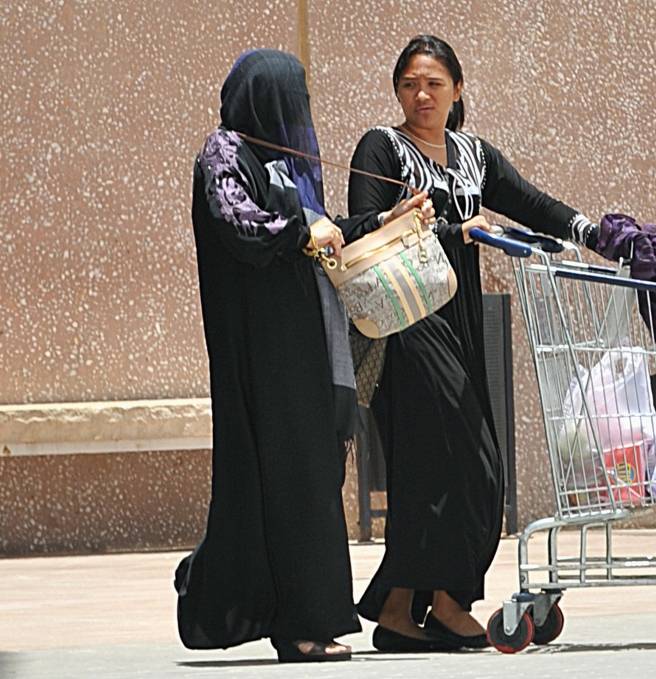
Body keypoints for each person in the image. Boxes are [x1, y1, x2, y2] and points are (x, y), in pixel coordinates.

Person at [346, 35, 602, 653]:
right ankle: (445, 600)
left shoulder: (472, 155)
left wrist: (596, 234)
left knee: (433, 471)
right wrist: (406, 222)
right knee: (470, 461)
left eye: (434, 83)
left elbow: (530, 203)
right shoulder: (382, 147)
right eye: (410, 84)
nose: (421, 95)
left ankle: (406, 610)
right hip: (408, 326)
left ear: (457, 89)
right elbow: (355, 230)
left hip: (460, 320)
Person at [173, 49, 430, 663]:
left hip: (306, 352)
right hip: (262, 357)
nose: (298, 112)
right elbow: (240, 222)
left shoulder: (286, 164)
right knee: (287, 485)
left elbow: (322, 228)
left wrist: (381, 220)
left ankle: (242, 596)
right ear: (263, 97)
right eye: (290, 99)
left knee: (310, 484)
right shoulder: (225, 152)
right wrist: (299, 233)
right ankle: (299, 624)